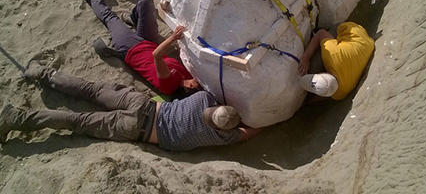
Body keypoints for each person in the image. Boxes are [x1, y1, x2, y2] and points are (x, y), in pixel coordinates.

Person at [0, 63, 261, 150]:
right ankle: (15, 118)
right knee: (76, 121)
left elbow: (211, 93)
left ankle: (41, 72)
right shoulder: (222, 135)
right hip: (136, 130)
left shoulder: (203, 100)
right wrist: (263, 122)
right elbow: (249, 132)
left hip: (142, 105)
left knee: (87, 89)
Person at [80, 0, 200, 95]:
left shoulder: (170, 85)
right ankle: (133, 19)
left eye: (196, 84)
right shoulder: (186, 77)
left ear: (190, 85)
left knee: (109, 17)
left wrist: (173, 37)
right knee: (146, 2)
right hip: (149, 43)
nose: (197, 81)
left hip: (131, 49)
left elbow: (157, 55)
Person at [298, 22, 375, 103]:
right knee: (312, 67)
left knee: (313, 67)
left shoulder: (339, 94)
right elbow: (321, 33)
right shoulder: (331, 54)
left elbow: (325, 93)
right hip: (352, 31)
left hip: (367, 44)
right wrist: (306, 57)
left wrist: (308, 102)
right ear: (323, 72)